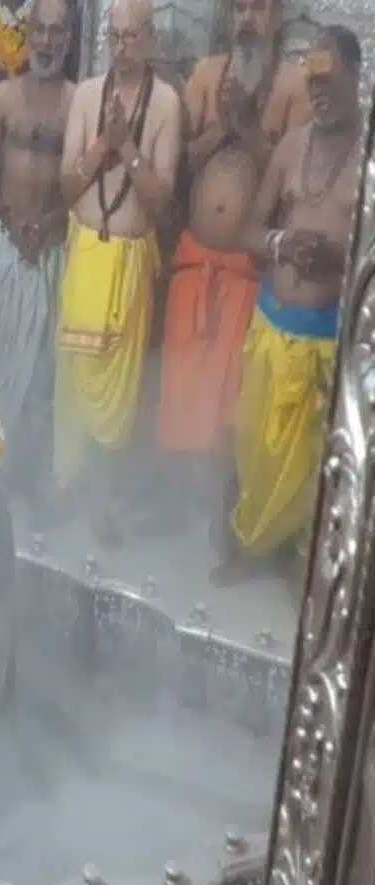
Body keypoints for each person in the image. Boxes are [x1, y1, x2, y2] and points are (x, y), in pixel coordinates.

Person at [213, 27, 361, 586]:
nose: (317, 89)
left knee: (314, 467)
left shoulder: (370, 154)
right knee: (251, 445)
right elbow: (249, 228)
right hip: (273, 328)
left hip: (329, 339)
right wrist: (281, 244)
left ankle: (298, 560)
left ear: (355, 74)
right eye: (311, 78)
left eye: (328, 77)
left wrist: (337, 257)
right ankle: (245, 540)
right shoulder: (290, 147)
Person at [155, 0, 309, 514]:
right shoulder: (204, 75)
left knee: (231, 400)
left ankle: (221, 510)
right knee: (181, 386)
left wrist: (247, 129)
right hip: (196, 262)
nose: (248, 18)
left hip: (246, 274)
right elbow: (180, 165)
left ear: (276, 17)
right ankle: (175, 502)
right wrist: (224, 126)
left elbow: (294, 183)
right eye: (239, 7)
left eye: (258, 8)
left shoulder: (290, 87)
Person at [55, 0, 181, 545]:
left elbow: (159, 202)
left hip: (130, 263)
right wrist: (102, 143)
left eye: (133, 37)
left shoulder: (168, 104)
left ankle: (103, 502)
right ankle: (68, 490)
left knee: (118, 393)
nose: (122, 48)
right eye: (115, 36)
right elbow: (65, 188)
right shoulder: (86, 94)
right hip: (85, 253)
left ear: (151, 39)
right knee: (74, 385)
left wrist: (127, 148)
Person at [0, 0, 73, 497]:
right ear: (28, 34)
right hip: (8, 247)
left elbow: (82, 183)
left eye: (58, 32)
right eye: (41, 30)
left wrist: (51, 225)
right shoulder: (4, 97)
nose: (48, 42)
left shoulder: (79, 101)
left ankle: (31, 483)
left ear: (69, 40)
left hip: (52, 249)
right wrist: (9, 219)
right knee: (3, 368)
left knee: (42, 376)